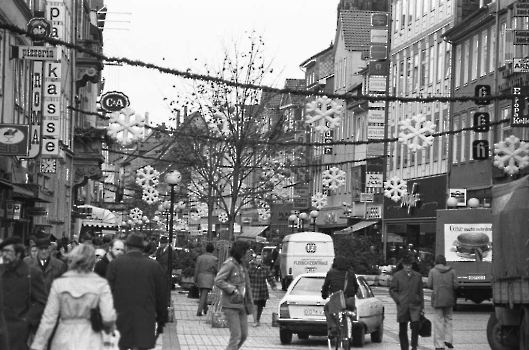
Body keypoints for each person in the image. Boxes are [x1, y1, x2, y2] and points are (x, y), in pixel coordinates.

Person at [29, 243, 117, 350]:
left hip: (63, 337)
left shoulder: (60, 284)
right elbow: (108, 317)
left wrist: (38, 344)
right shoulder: (101, 284)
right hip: (90, 338)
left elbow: (49, 318)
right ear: (92, 262)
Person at [107, 233, 168, 350]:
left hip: (120, 317)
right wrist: (162, 318)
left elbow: (108, 292)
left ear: (127, 247)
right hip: (145, 317)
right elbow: (161, 295)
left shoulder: (115, 264)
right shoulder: (154, 266)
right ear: (142, 248)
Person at [0, 236, 48, 350]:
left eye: (9, 251)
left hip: (19, 333)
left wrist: (27, 320)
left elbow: (42, 301)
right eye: (3, 252)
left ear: (18, 254)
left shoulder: (32, 273)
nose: (4, 255)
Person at [214, 240, 254, 350]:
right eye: (246, 251)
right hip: (231, 305)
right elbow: (218, 280)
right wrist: (233, 289)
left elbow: (247, 284)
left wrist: (250, 301)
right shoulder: (230, 264)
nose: (247, 253)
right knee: (236, 335)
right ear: (240, 251)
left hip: (242, 304)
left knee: (244, 335)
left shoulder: (242, 265)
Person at [389, 255, 425, 350]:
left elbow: (420, 291)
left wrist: (422, 306)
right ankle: (404, 347)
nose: (408, 267)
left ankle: (414, 346)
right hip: (403, 305)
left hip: (415, 305)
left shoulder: (417, 276)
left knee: (415, 326)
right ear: (403, 265)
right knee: (403, 328)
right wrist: (398, 299)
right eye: (406, 265)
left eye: (410, 265)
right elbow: (393, 290)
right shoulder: (397, 276)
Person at [321, 256, 359, 337]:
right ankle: (348, 326)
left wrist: (324, 294)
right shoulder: (351, 273)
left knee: (327, 308)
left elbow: (325, 286)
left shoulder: (331, 273)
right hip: (350, 300)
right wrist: (353, 293)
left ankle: (333, 327)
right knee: (350, 312)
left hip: (337, 300)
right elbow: (356, 286)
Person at [428, 254, 458, 350]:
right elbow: (456, 285)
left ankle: (439, 345)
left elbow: (429, 284)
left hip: (437, 299)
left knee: (438, 321)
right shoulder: (452, 271)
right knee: (448, 319)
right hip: (449, 299)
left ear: (436, 262)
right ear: (445, 262)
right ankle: (448, 340)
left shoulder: (433, 271)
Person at [248, 254, 276, 327]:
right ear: (255, 259)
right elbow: (246, 277)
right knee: (254, 305)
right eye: (257, 258)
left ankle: (258, 319)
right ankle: (254, 321)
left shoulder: (265, 268)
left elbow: (269, 277)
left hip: (262, 290)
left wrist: (273, 285)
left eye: (260, 258)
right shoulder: (250, 268)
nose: (259, 260)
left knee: (260, 306)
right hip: (253, 289)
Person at [194, 243, 218, 316]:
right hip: (209, 277)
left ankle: (204, 308)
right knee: (204, 294)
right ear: (213, 250)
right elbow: (216, 269)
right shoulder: (214, 259)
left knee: (202, 294)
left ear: (205, 249)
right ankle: (199, 310)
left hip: (200, 276)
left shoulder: (200, 258)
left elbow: (196, 269)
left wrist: (195, 279)